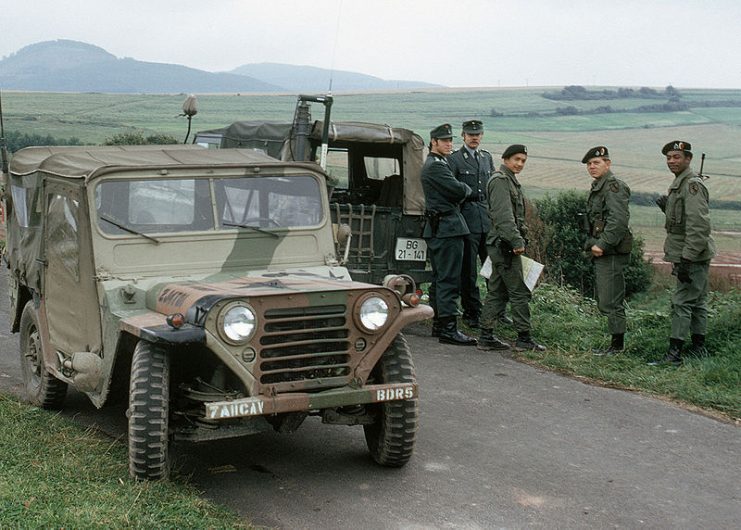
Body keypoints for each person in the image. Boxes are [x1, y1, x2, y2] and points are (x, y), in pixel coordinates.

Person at [650, 141, 715, 365]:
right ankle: (698, 349)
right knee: (697, 302)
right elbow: (683, 218)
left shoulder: (691, 185)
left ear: (688, 159)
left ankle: (674, 354)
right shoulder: (681, 184)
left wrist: (687, 257)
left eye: (676, 157)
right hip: (689, 252)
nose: (671, 161)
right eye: (668, 157)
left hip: (690, 254)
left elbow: (699, 226)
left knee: (682, 302)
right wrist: (667, 208)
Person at [479, 144, 545, 351]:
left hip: (502, 245)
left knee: (497, 291)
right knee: (519, 292)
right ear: (506, 159)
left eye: (523, 161)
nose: (520, 164)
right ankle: (523, 338)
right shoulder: (500, 181)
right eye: (516, 159)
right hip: (505, 245)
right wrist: (516, 242)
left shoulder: (509, 181)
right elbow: (504, 217)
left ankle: (485, 336)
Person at [421, 123, 477, 346]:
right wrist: (464, 189)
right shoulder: (435, 166)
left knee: (441, 278)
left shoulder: (440, 163)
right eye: (444, 140)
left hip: (444, 226)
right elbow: (458, 190)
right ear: (433, 142)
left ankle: (439, 324)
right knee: (449, 279)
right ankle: (448, 329)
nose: (449, 144)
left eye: (450, 140)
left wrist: (460, 189)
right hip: (447, 227)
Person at [581, 146, 633, 356]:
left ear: (608, 164)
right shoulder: (599, 187)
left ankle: (617, 346)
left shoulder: (613, 187)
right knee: (607, 298)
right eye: (589, 164)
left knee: (611, 300)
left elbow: (618, 221)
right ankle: (615, 343)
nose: (592, 167)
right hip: (605, 250)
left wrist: (601, 244)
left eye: (597, 162)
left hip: (611, 251)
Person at [447, 119, 493, 328]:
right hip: (466, 220)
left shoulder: (486, 158)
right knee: (469, 271)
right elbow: (452, 192)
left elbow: (491, 190)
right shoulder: (455, 159)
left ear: (482, 135)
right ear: (463, 135)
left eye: (478, 134)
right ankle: (472, 311)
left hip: (487, 219)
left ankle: (495, 311)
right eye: (470, 134)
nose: (474, 137)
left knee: (492, 267)